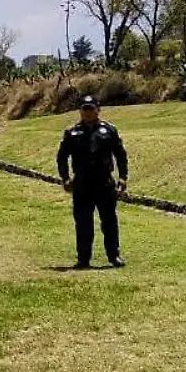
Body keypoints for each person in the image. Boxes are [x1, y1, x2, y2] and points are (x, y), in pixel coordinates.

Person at [57, 95, 129, 269]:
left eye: (91, 108)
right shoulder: (72, 133)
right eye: (84, 108)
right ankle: (83, 259)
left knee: (109, 221)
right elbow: (61, 157)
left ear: (98, 109)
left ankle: (114, 256)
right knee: (83, 223)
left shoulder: (109, 130)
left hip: (104, 183)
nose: (88, 112)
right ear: (80, 111)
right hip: (82, 185)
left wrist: (123, 178)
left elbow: (120, 155)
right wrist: (65, 178)